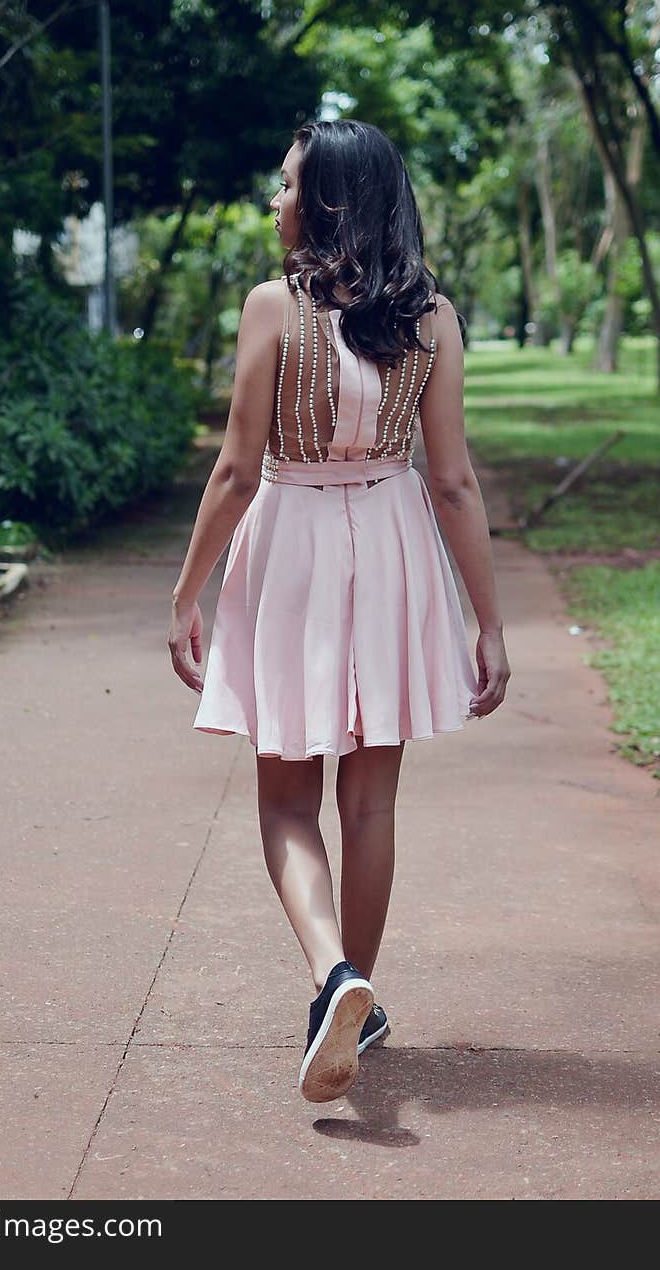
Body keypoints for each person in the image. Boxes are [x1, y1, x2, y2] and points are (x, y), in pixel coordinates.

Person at [168, 119, 510, 1104]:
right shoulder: (431, 317)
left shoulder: (273, 307)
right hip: (395, 542)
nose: (274, 201)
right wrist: (486, 623)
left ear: (321, 201)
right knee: (370, 803)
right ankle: (356, 993)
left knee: (284, 801)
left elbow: (236, 471)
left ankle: (331, 977)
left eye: (285, 186)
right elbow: (451, 483)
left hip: (294, 546)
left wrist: (188, 591)